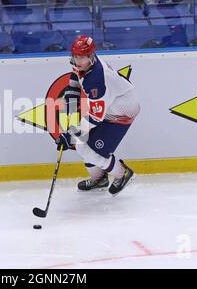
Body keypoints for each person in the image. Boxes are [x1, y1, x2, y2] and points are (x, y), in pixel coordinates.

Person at [55, 35, 140, 196]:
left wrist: (70, 135)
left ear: (91, 56)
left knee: (87, 148)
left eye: (82, 57)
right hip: (111, 103)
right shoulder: (84, 63)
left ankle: (122, 174)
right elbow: (76, 74)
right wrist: (72, 92)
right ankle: (99, 179)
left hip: (122, 110)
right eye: (76, 56)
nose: (78, 60)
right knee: (82, 144)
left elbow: (95, 118)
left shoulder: (96, 79)